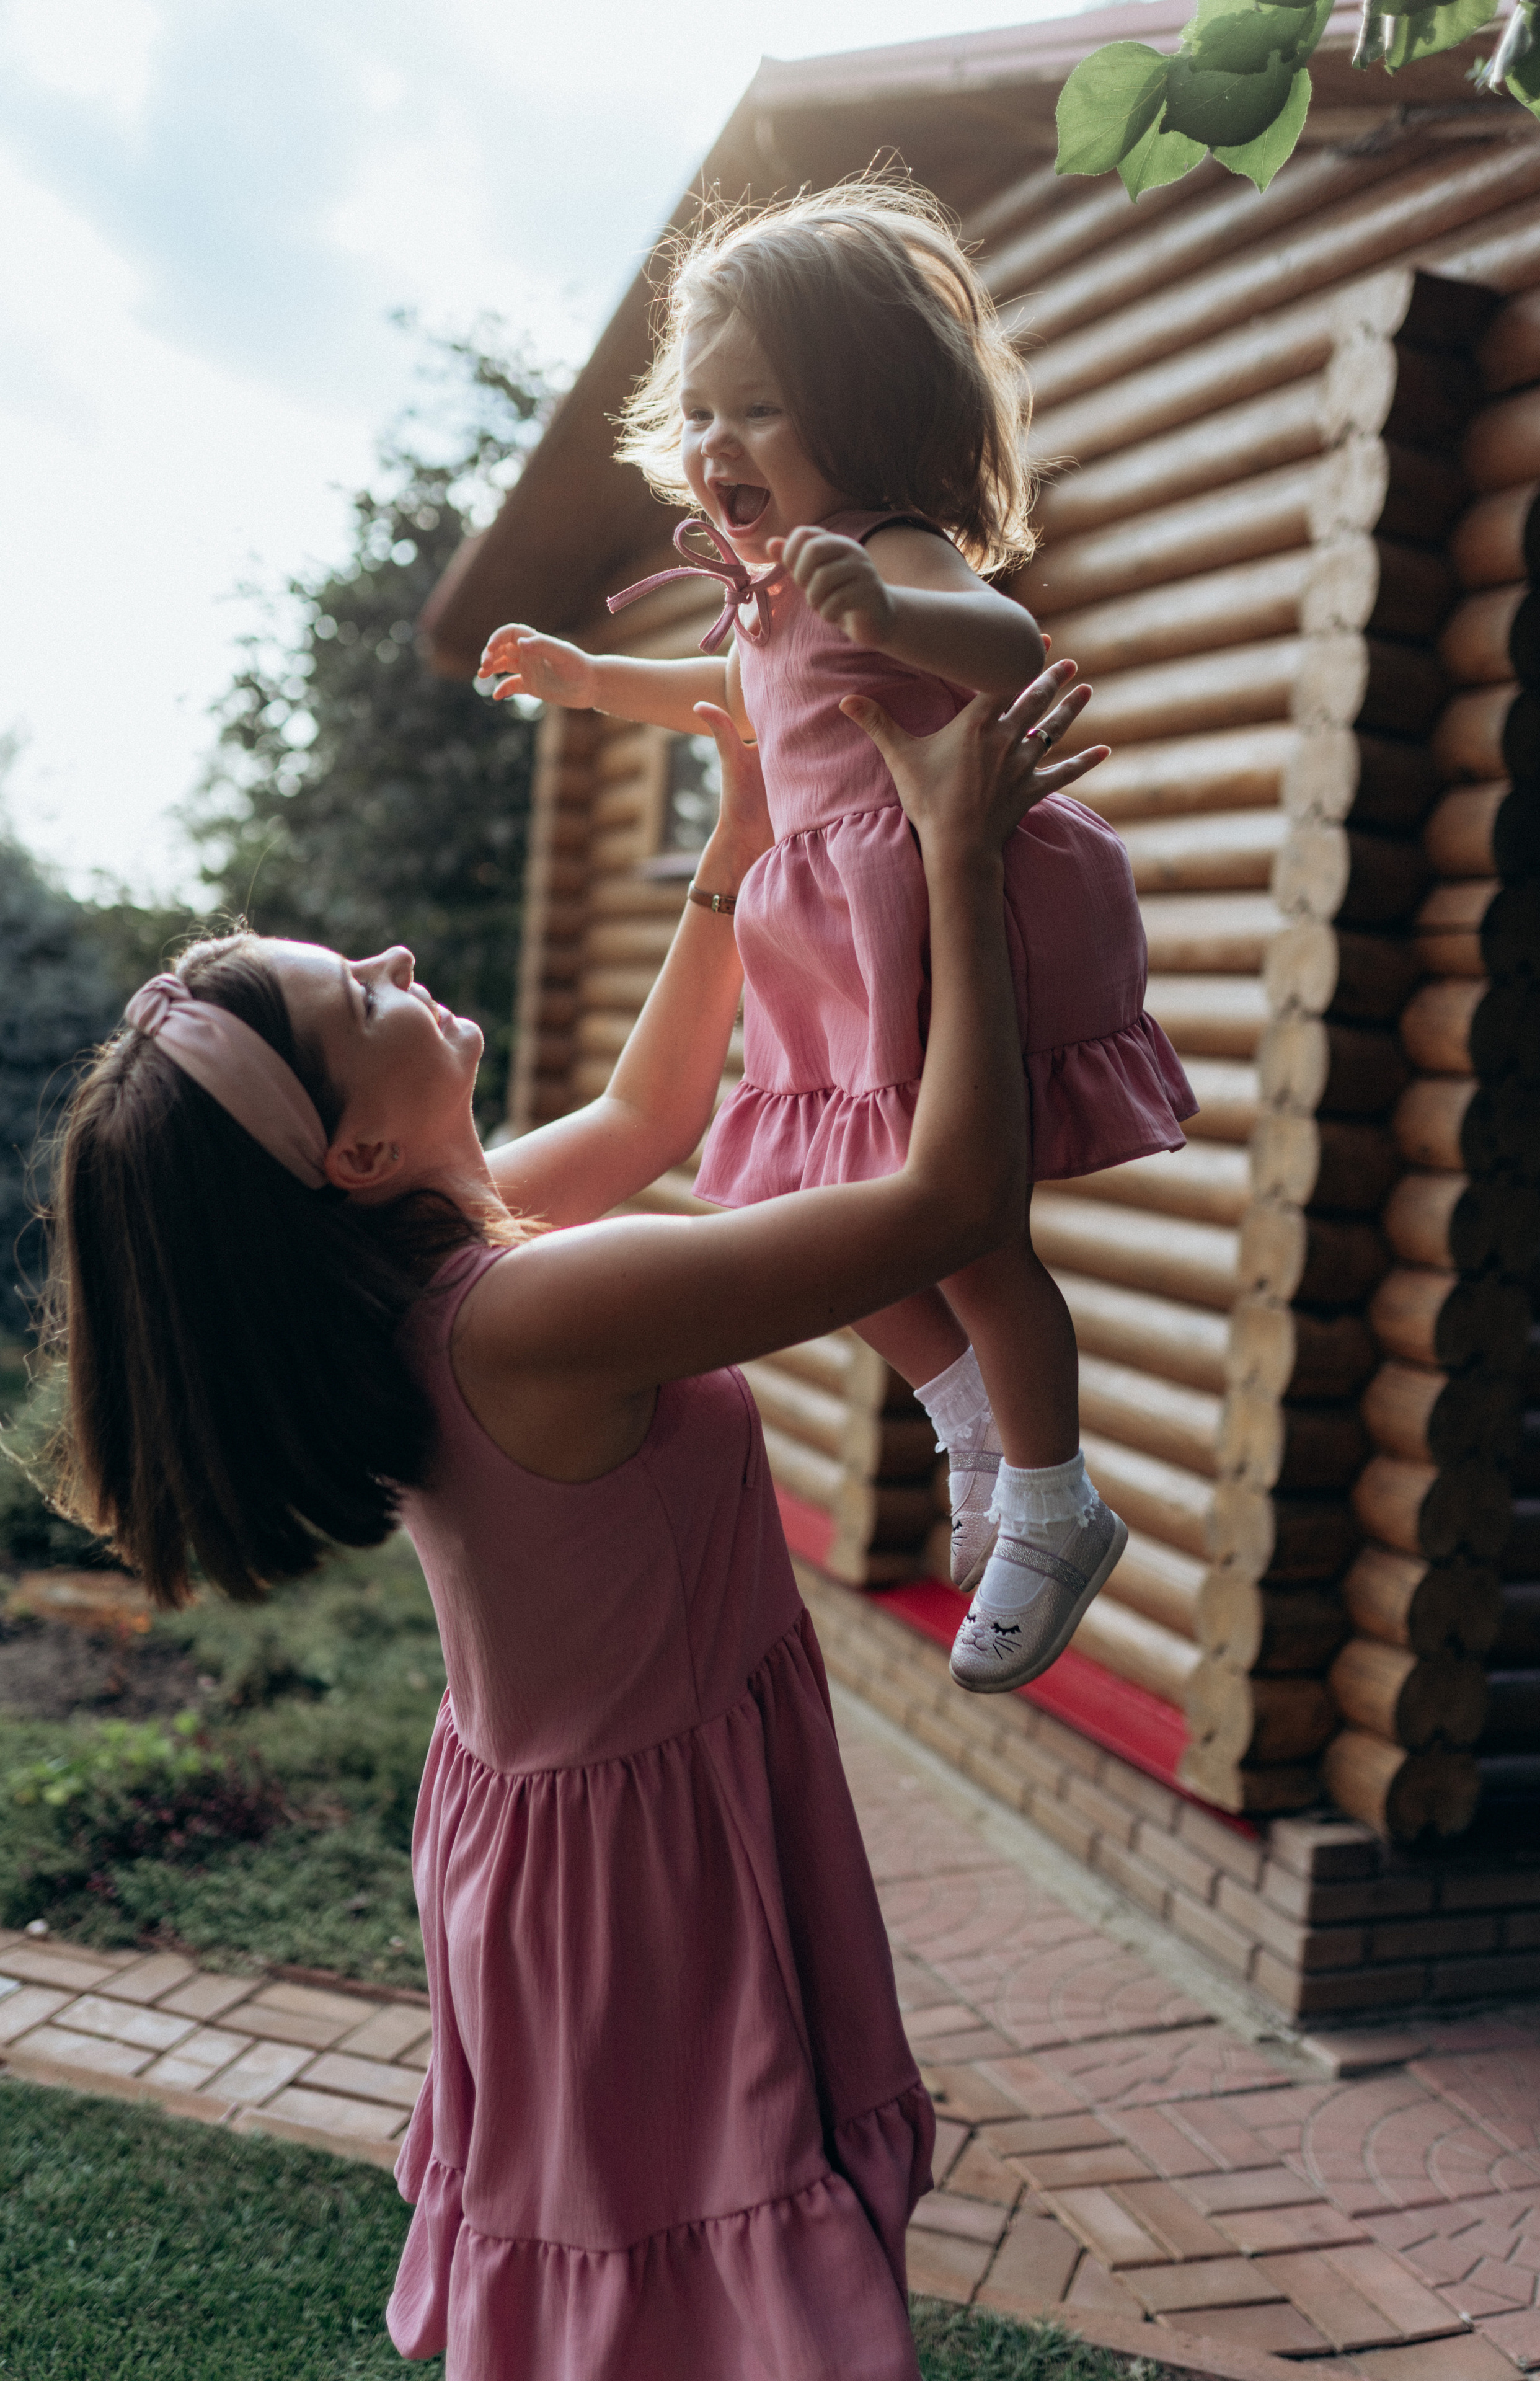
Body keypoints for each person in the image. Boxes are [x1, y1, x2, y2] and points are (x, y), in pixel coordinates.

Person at [42, 669, 1104, 2379]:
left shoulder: (433, 1266)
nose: (393, 961)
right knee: (696, 2282)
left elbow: (649, 1118)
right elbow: (951, 1203)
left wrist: (742, 836)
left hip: (572, 1824)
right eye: (353, 994)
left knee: (646, 2274)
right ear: (363, 1146)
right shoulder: (524, 1313)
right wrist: (963, 862)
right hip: (634, 1870)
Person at [480, 181, 1195, 1697]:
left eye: (761, 408)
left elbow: (1005, 646)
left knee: (967, 1229)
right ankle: (970, 1424)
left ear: (861, 418)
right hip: (827, 949)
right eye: (701, 410)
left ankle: (1057, 1501)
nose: (718, 444)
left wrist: (885, 606)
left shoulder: (882, 543)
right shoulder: (755, 596)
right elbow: (722, 707)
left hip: (929, 917)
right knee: (818, 1207)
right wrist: (579, 678)